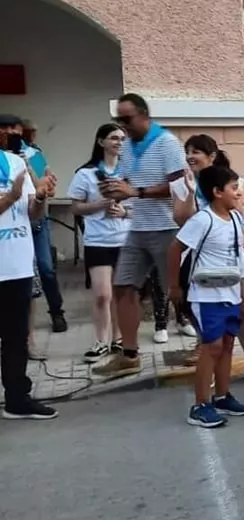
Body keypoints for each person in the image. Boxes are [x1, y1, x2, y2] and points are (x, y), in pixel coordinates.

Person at [93, 94, 187, 379]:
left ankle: (207, 344)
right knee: (123, 287)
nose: (123, 126)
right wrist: (114, 189)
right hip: (137, 229)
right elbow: (129, 182)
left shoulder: (167, 143)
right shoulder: (129, 147)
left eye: (127, 119)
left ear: (144, 115)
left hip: (166, 228)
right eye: (118, 120)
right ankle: (130, 355)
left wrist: (136, 192)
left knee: (178, 292)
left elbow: (180, 186)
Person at [172, 135, 244, 380]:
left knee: (243, 311)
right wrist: (192, 193)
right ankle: (209, 365)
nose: (191, 156)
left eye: (197, 151)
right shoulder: (184, 183)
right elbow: (181, 219)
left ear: (211, 157)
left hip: (232, 261)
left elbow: (240, 217)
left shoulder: (227, 182)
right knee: (205, 315)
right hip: (202, 262)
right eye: (188, 151)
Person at [168, 164, 244, 428]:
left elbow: (241, 258)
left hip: (230, 294)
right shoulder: (203, 220)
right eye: (233, 188)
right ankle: (200, 404)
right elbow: (175, 249)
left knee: (227, 344)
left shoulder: (236, 219)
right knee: (212, 346)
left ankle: (222, 396)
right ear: (217, 192)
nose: (238, 193)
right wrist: (174, 288)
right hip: (206, 296)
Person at [0, 114, 58, 419]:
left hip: (17, 264)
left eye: (15, 132)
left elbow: (32, 214)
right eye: (5, 131)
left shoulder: (19, 163)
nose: (11, 136)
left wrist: (40, 197)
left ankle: (17, 398)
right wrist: (10, 195)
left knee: (15, 337)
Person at [67, 123, 131, 360]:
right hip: (98, 241)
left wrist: (124, 212)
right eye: (114, 138)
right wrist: (99, 205)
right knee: (103, 294)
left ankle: (118, 339)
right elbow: (75, 207)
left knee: (120, 293)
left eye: (123, 139)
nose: (119, 143)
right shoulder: (86, 173)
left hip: (125, 241)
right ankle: (99, 341)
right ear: (101, 141)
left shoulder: (129, 172)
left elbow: (142, 208)